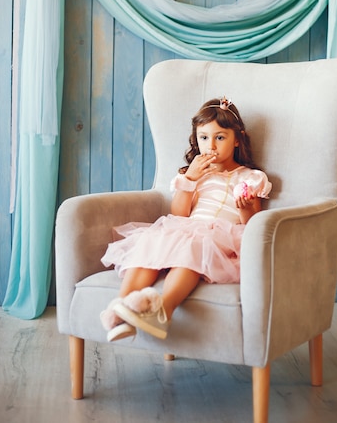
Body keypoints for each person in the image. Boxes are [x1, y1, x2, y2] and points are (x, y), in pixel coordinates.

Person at [100, 97, 272, 342]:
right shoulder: (192, 174)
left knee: (193, 249)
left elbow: (253, 223)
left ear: (237, 139)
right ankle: (120, 309)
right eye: (203, 138)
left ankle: (164, 311)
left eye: (220, 137)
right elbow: (178, 214)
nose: (210, 145)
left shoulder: (251, 177)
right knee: (152, 241)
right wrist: (189, 180)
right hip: (188, 226)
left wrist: (244, 208)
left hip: (223, 234)